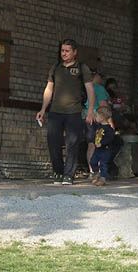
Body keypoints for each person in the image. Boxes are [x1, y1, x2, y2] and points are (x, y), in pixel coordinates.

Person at [36, 39, 94, 185]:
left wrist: (90, 111)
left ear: (74, 52)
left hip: (74, 112)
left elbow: (90, 89)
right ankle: (58, 172)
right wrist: (43, 109)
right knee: (53, 142)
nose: (64, 54)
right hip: (55, 112)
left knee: (72, 143)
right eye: (62, 51)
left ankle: (69, 175)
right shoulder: (55, 67)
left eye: (67, 51)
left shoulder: (82, 68)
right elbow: (49, 88)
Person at [84, 70, 110, 175]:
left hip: (85, 117)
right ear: (95, 76)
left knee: (90, 144)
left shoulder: (84, 86)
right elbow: (103, 106)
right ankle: (97, 171)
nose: (102, 79)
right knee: (97, 144)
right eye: (100, 76)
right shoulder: (99, 88)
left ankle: (91, 170)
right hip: (96, 118)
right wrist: (109, 121)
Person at [90, 107, 115, 186]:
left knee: (103, 164)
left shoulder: (109, 129)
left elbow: (110, 138)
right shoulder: (98, 126)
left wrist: (102, 143)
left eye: (96, 116)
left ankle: (103, 178)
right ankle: (96, 173)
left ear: (102, 117)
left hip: (105, 149)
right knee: (92, 161)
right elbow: (94, 130)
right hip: (97, 149)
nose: (96, 117)